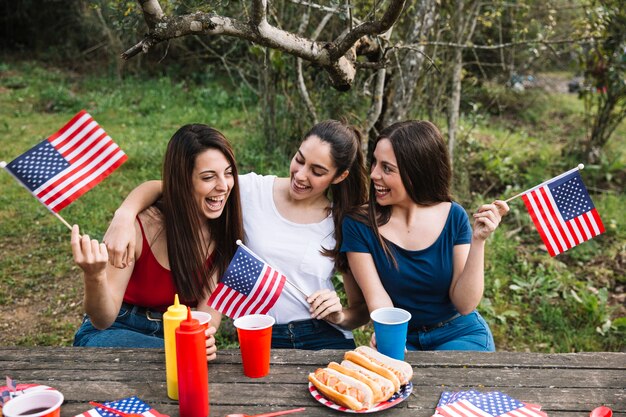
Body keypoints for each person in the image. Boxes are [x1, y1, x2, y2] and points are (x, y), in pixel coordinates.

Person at [103, 120, 370, 350]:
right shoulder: (250, 190)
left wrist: (339, 315)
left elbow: (359, 311)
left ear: (339, 176)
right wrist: (125, 213)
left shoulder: (342, 220)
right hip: (264, 332)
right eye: (299, 159)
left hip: (322, 333)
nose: (300, 174)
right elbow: (174, 187)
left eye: (317, 171)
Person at [71, 124, 244, 360]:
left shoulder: (224, 231)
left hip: (175, 334)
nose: (223, 186)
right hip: (117, 329)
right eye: (208, 177)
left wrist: (204, 340)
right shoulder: (140, 227)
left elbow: (208, 316)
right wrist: (94, 276)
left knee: (182, 360)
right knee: (170, 356)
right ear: (183, 181)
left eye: (227, 173)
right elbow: (102, 320)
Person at [341, 120, 509, 351]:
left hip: (461, 335)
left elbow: (464, 304)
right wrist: (390, 334)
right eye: (375, 163)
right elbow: (377, 298)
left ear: (415, 173)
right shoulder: (358, 224)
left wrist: (478, 241)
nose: (374, 175)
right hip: (403, 337)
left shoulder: (454, 216)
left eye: (387, 168)